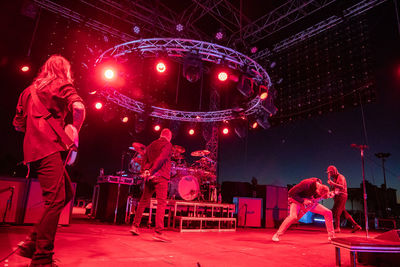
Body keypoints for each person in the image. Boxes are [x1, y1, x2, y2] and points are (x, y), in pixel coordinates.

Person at [13, 55, 85, 267]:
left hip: (32, 151)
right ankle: (42, 259)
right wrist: (75, 131)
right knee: (55, 200)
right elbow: (79, 108)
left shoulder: (27, 91)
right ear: (65, 70)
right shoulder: (62, 84)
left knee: (66, 194)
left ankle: (30, 244)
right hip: (48, 148)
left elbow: (18, 124)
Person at [130, 128, 173, 242]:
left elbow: (144, 158)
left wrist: (145, 171)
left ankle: (135, 226)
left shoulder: (151, 145)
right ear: (169, 136)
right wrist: (153, 171)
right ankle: (158, 232)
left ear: (161, 135)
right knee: (161, 203)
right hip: (160, 176)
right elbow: (162, 158)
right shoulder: (167, 145)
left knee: (143, 201)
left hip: (149, 176)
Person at [272, 178, 334, 242]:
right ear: (317, 189)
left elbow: (319, 196)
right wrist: (303, 201)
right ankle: (277, 235)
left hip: (309, 203)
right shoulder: (306, 184)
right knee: (293, 217)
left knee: (328, 212)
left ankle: (331, 237)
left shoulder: (319, 186)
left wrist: (328, 195)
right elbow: (291, 193)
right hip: (297, 201)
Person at [327, 165, 362, 233]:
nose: (330, 174)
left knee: (336, 211)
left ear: (334, 171)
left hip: (342, 196)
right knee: (344, 212)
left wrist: (332, 183)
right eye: (329, 173)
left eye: (330, 173)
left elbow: (342, 186)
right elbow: (335, 188)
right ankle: (355, 225)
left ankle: (337, 228)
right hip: (338, 196)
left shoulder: (340, 177)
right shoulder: (335, 178)